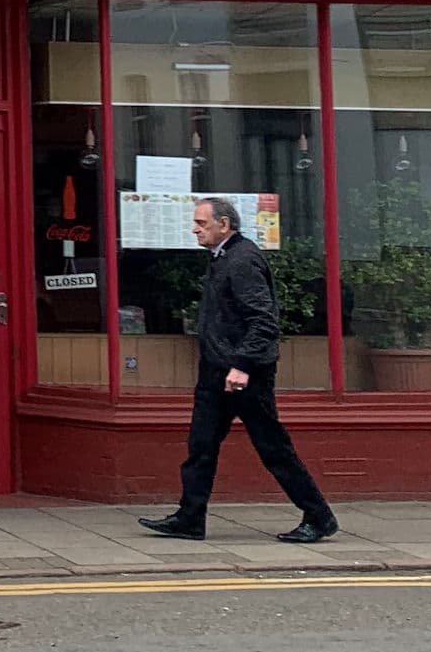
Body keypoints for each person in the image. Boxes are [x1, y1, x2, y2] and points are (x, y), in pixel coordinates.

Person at [139, 195, 338, 545]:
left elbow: (263, 321)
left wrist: (242, 366)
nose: (194, 229)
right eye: (195, 222)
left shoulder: (243, 260)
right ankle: (189, 518)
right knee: (201, 445)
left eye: (202, 223)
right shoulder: (222, 257)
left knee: (272, 448)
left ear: (225, 225)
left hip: (245, 375)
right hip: (217, 372)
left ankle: (319, 516)